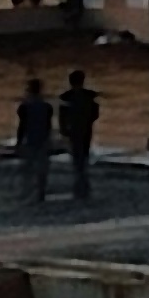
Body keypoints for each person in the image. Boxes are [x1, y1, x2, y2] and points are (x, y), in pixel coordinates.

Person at [57, 66, 100, 200]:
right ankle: (83, 183)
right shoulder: (88, 96)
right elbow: (95, 113)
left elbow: (62, 116)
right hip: (86, 129)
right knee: (84, 155)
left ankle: (80, 183)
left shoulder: (67, 97)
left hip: (73, 130)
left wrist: (64, 130)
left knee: (77, 157)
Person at [14, 75, 54, 204]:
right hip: (43, 140)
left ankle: (28, 192)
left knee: (28, 169)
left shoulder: (24, 107)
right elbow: (48, 126)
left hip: (30, 141)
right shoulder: (47, 107)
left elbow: (22, 127)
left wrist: (19, 142)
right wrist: (49, 140)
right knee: (42, 169)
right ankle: (41, 192)